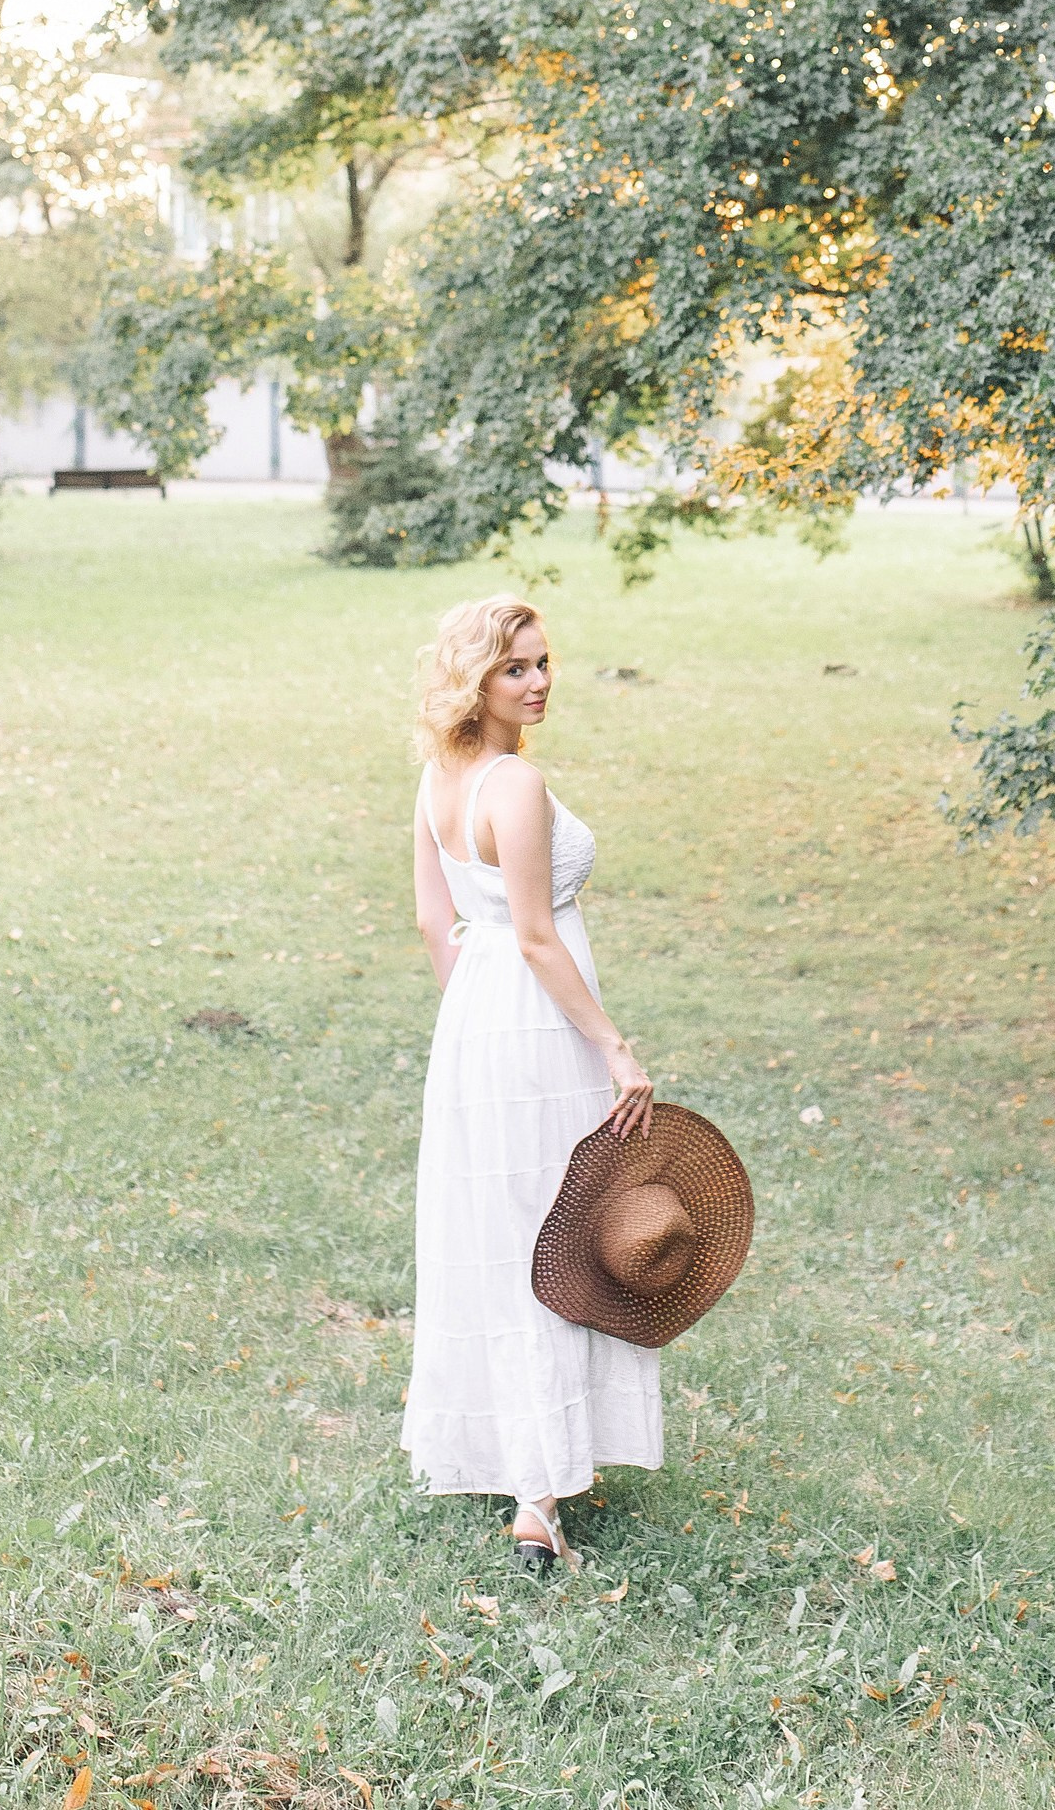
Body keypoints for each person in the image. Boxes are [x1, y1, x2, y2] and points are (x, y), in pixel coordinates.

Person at [402, 593, 661, 1568]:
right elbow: (539, 935)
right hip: (537, 1023)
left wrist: (474, 1025)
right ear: (478, 679)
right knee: (556, 1236)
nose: (540, 681)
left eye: (545, 662)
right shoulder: (512, 782)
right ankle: (537, 1497)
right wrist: (613, 1046)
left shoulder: (435, 779)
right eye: (517, 668)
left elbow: (439, 928)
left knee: (507, 1233)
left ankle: (534, 1465)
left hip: (473, 1020)